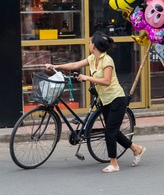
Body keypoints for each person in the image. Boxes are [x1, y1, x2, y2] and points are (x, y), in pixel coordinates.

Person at [45, 31, 146, 173]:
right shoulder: (92, 58)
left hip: (117, 99)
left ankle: (114, 163)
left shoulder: (107, 61)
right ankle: (136, 149)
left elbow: (106, 81)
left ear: (94, 46)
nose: (88, 43)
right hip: (104, 99)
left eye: (90, 42)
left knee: (110, 132)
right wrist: (56, 66)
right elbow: (75, 65)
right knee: (113, 131)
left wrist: (87, 78)